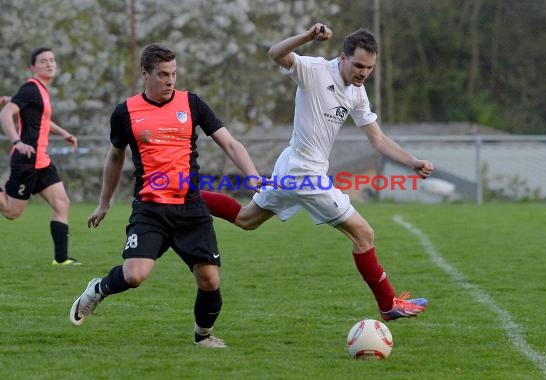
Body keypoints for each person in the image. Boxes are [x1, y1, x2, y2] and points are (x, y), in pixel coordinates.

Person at [200, 23, 434, 322]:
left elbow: (378, 139)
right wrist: (308, 37)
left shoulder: (357, 92)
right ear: (342, 57)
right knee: (364, 233)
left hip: (292, 167)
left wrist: (412, 162)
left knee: (247, 220)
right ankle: (388, 304)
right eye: (359, 65)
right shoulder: (314, 70)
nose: (364, 73)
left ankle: (182, 193)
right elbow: (275, 53)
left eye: (370, 67)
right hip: (304, 174)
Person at [69, 43, 261, 348]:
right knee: (134, 275)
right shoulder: (126, 112)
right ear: (144, 74)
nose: (170, 81)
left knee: (210, 280)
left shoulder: (192, 103)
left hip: (190, 208)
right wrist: (104, 203)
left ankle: (203, 337)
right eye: (163, 75)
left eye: (173, 73)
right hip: (150, 209)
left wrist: (252, 175)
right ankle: (98, 289)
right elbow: (115, 158)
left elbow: (230, 143)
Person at [0, 47, 80, 266]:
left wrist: (64, 133)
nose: (49, 64)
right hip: (26, 160)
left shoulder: (42, 91)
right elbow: (5, 114)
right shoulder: (31, 89)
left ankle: (61, 260)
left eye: (52, 60)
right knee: (11, 212)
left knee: (62, 204)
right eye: (43, 61)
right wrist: (17, 141)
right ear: (33, 67)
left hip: (42, 161)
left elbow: (42, 119)